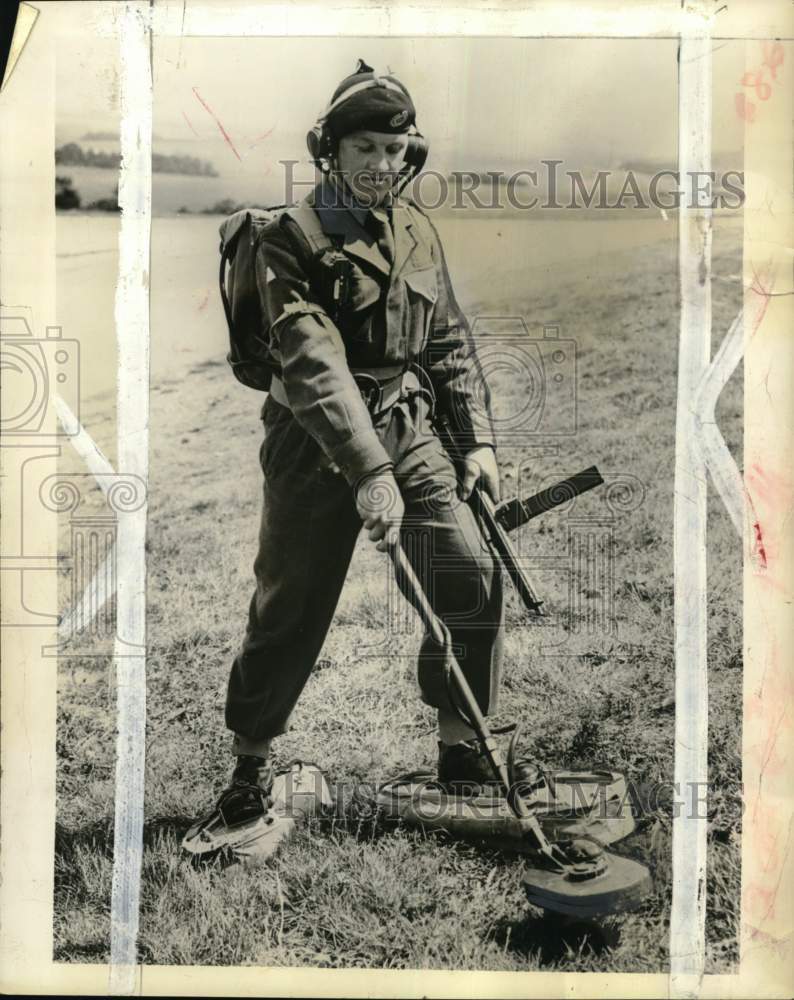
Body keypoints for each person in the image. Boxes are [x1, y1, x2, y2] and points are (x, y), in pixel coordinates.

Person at [216, 60, 506, 829]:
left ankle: (459, 752)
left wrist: (475, 442)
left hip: (407, 425)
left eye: (395, 149)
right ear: (330, 152)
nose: (383, 165)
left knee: (468, 574)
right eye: (367, 149)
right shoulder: (289, 238)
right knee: (291, 607)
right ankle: (249, 768)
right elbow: (312, 363)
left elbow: (444, 340)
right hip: (314, 442)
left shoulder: (416, 228)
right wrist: (368, 471)